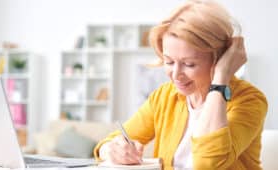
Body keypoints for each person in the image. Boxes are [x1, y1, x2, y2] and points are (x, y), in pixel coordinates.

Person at [93, 0, 268, 169]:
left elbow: (208, 164)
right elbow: (108, 143)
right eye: (169, 62)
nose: (176, 75)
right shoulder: (164, 97)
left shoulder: (250, 100)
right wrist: (111, 150)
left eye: (189, 64)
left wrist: (221, 79)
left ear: (219, 58)